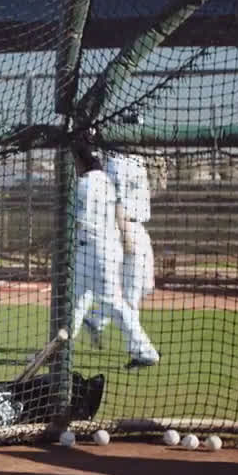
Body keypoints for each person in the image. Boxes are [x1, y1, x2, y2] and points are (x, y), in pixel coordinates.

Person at [71, 146, 159, 369]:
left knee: (116, 303)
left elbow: (82, 222)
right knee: (74, 304)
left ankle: (145, 351)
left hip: (96, 251)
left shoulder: (89, 182)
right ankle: (57, 350)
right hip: (97, 248)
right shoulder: (102, 178)